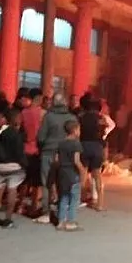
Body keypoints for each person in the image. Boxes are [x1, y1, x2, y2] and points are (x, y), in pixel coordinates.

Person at [35, 93, 73, 224]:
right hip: (65, 154)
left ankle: (46, 213)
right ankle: (61, 214)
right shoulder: (71, 117)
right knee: (63, 183)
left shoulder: (48, 117)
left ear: (53, 103)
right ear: (65, 102)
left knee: (47, 183)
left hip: (48, 152)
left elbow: (41, 137)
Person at [0, 109, 27, 229]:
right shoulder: (16, 134)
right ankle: (8, 219)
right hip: (14, 165)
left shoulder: (0, 132)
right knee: (12, 190)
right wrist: (24, 164)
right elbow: (19, 152)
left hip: (0, 165)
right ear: (15, 119)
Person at [20, 87, 44, 218]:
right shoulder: (42, 113)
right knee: (36, 182)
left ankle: (20, 205)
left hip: (25, 148)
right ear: (38, 98)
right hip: (37, 150)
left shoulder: (23, 112)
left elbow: (21, 130)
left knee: (24, 180)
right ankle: (33, 206)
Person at [56, 119, 84, 231]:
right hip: (72, 173)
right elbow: (76, 161)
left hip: (62, 173)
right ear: (75, 130)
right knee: (74, 199)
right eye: (79, 129)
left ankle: (61, 221)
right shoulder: (76, 144)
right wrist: (82, 171)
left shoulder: (61, 143)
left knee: (63, 197)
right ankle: (71, 222)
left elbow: (56, 159)